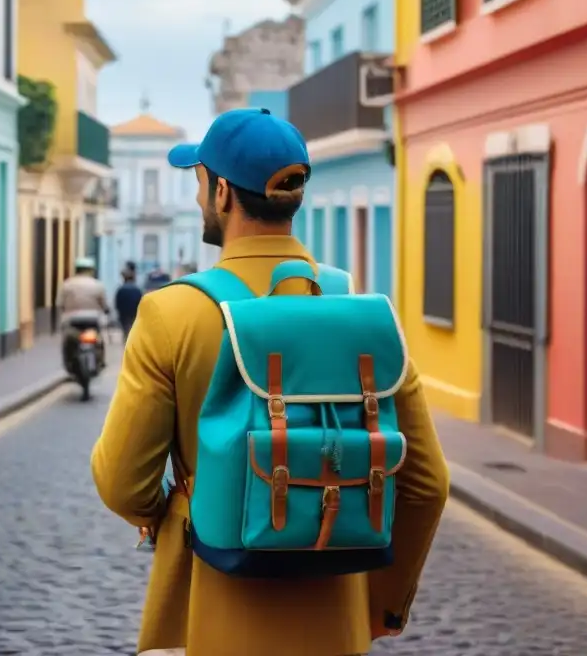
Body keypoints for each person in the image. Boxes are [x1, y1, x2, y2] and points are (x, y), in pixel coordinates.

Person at [91, 108, 450, 655]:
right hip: (336, 623)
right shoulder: (362, 315)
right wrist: (380, 605)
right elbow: (426, 485)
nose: (196, 198)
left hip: (209, 613)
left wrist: (167, 512)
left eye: (201, 182)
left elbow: (122, 481)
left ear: (223, 195)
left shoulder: (170, 314)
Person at [57, 257, 109, 370]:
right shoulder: (97, 285)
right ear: (91, 270)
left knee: (68, 342)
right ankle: (101, 360)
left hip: (72, 320)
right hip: (92, 319)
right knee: (99, 340)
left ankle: (69, 362)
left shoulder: (67, 285)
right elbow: (104, 304)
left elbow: (60, 304)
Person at [114, 265, 143, 343]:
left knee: (125, 329)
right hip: (134, 312)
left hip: (123, 313)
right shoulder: (137, 289)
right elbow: (140, 301)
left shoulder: (121, 289)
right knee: (133, 328)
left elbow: (117, 302)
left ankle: (127, 343)